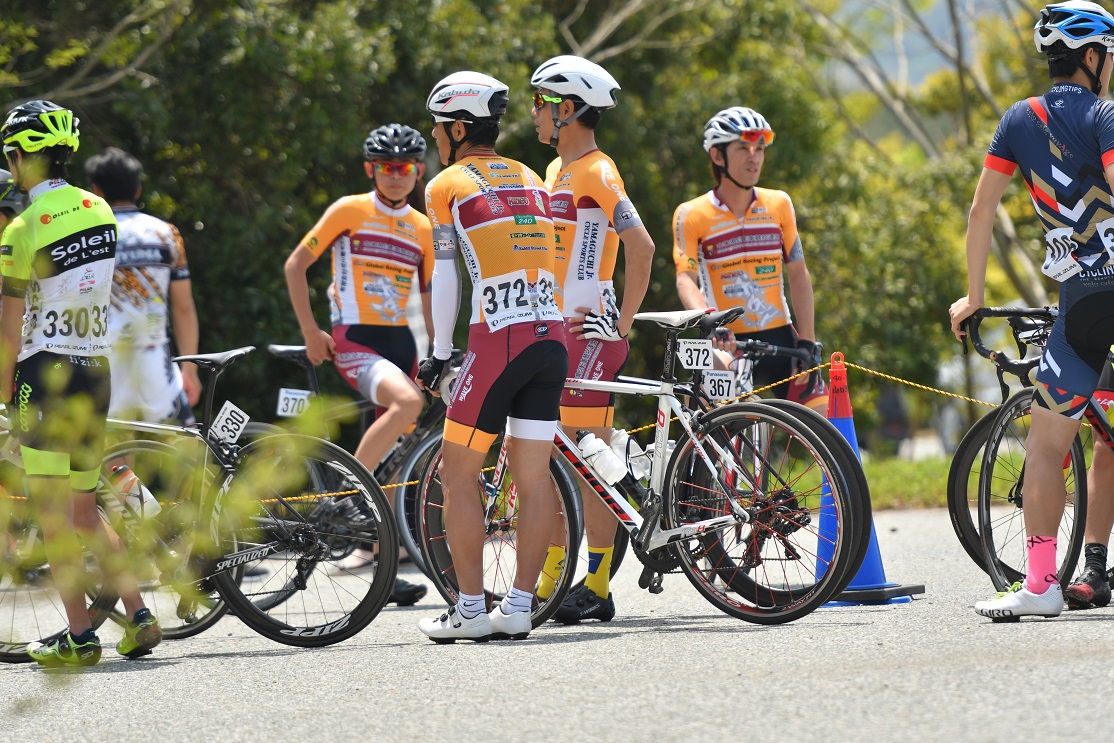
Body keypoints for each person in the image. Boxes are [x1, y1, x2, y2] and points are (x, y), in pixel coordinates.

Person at [949, 0, 1114, 620]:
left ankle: (1041, 585)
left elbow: (980, 212)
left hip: (1082, 305)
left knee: (1046, 447)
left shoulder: (1017, 120)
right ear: (1093, 57)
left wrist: (973, 294)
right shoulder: (1106, 115)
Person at [0, 100, 161, 666]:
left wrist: (3, 398)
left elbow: (9, 328)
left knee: (53, 517)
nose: (10, 165)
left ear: (26, 157)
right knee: (86, 509)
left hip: (45, 375)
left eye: (11, 155)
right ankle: (139, 616)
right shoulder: (100, 211)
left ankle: (78, 635)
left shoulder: (21, 228)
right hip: (96, 370)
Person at [416, 71, 568, 642]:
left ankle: (472, 611)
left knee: (459, 476)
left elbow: (448, 272)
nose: (434, 136)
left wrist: (439, 351)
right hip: (549, 337)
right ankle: (521, 607)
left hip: (498, 338)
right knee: (532, 479)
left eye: (437, 126)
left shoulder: (447, 184)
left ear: (457, 127)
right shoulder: (531, 174)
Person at [528, 55, 655, 623]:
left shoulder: (598, 171)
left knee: (578, 463)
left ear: (569, 110)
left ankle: (595, 585)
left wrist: (621, 323)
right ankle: (564, 579)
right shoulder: (558, 172)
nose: (534, 113)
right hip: (562, 327)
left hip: (590, 329)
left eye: (542, 103)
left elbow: (643, 246)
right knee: (574, 458)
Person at [284, 123, 433, 607]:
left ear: (417, 172)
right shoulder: (349, 210)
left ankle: (382, 566)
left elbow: (430, 302)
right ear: (372, 170)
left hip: (403, 347)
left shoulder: (424, 228)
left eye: (405, 168)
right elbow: (295, 266)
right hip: (355, 341)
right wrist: (310, 330)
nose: (396, 177)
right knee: (405, 404)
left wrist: (438, 355)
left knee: (393, 460)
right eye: (387, 168)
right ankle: (347, 493)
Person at [673, 106, 826, 411]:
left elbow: (798, 274)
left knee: (827, 419)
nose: (754, 156)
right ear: (718, 157)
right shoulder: (691, 213)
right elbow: (685, 279)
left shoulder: (779, 204)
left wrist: (807, 341)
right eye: (743, 148)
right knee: (722, 425)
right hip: (727, 340)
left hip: (781, 337)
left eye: (759, 149)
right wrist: (710, 321)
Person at [83, 147, 201, 426]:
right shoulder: (167, 234)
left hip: (106, 356)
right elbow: (183, 308)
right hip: (154, 354)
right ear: (138, 189)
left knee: (118, 450)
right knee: (183, 451)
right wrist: (190, 368)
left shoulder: (89, 236)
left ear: (96, 190)